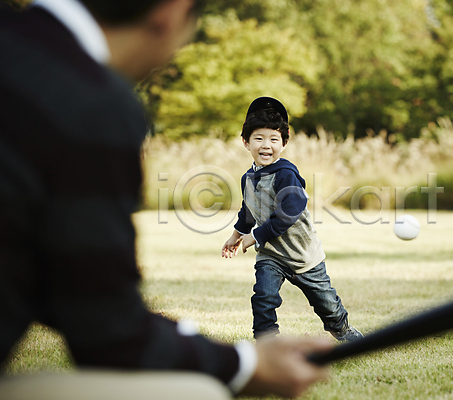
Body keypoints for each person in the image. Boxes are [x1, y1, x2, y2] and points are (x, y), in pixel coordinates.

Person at [0, 1, 332, 398]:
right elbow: (106, 331)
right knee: (197, 393)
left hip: (302, 258)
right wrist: (245, 364)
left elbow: (58, 291)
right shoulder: (90, 100)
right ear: (172, 12)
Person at [222, 97, 364, 343]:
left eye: (274, 139)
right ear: (245, 142)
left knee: (327, 304)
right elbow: (248, 210)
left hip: (303, 255)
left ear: (284, 143)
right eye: (259, 138)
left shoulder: (286, 174)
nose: (266, 145)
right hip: (272, 255)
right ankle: (267, 343)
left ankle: (342, 330)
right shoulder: (248, 178)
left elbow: (288, 213)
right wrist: (235, 236)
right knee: (263, 297)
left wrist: (253, 237)